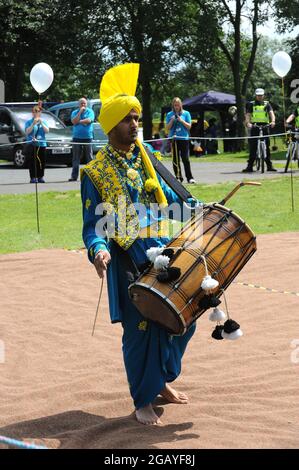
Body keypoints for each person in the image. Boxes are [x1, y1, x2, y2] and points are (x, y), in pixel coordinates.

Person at [81, 63, 198, 425]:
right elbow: (91, 227)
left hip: (164, 249)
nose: (135, 124)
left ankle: (160, 380)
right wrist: (98, 250)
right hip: (127, 259)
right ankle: (143, 398)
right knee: (141, 329)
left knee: (185, 318)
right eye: (128, 119)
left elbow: (169, 199)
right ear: (111, 125)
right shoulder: (94, 172)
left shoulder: (149, 158)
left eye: (137, 117)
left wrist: (196, 211)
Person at [243, 88, 276, 172]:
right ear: (256, 95)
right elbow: (248, 115)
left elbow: (271, 113)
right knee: (253, 146)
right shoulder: (251, 104)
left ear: (263, 95)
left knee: (267, 147)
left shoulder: (267, 104)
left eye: (261, 95)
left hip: (265, 126)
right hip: (255, 126)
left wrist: (273, 121)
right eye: (258, 95)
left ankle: (269, 166)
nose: (259, 97)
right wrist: (248, 123)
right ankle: (249, 166)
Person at [165, 97, 195, 183]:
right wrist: (172, 120)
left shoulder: (186, 113)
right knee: (175, 159)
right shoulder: (169, 114)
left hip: (184, 139)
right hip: (174, 139)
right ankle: (178, 177)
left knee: (185, 158)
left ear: (181, 105)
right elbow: (167, 128)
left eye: (178, 105)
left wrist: (181, 120)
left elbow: (189, 126)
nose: (177, 107)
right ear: (173, 106)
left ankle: (190, 178)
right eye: (175, 105)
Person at [69, 97, 95, 181]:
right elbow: (73, 121)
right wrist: (80, 112)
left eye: (84, 103)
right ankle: (74, 176)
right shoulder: (74, 112)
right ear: (78, 105)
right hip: (76, 138)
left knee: (89, 158)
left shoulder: (90, 111)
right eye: (81, 103)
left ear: (86, 104)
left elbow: (89, 120)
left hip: (88, 137)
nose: (83, 105)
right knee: (76, 158)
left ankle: (91, 176)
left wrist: (79, 121)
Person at [25, 105, 49, 183]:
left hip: (42, 144)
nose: (36, 113)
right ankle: (33, 177)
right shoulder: (29, 122)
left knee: (41, 162)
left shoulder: (43, 121)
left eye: (38, 111)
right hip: (32, 144)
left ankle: (40, 177)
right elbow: (27, 132)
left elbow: (47, 131)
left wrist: (41, 123)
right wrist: (33, 124)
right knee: (32, 162)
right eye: (35, 111)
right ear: (32, 113)